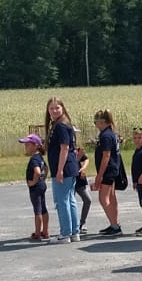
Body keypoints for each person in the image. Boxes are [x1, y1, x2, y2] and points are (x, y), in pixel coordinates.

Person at [46, 97, 81, 244]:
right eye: (51, 108)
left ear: (62, 108)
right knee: (70, 200)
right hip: (70, 167)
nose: (54, 111)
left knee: (62, 201)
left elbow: (64, 148)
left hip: (64, 168)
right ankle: (74, 232)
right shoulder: (62, 124)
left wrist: (60, 170)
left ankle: (65, 233)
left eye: (57, 108)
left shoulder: (60, 126)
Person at [91, 110, 123, 236]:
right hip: (113, 169)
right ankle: (114, 223)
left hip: (108, 170)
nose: (95, 125)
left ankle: (115, 226)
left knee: (103, 198)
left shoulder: (106, 136)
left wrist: (99, 176)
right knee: (111, 197)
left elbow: (106, 156)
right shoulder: (110, 134)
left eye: (95, 122)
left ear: (102, 122)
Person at [21, 133, 50, 240]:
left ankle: (38, 233)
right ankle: (45, 231)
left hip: (36, 187)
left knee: (37, 210)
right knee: (43, 208)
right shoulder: (40, 157)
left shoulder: (34, 159)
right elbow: (46, 168)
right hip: (41, 185)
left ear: (36, 145)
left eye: (28, 145)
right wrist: (43, 178)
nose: (26, 147)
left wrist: (33, 182)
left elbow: (37, 172)